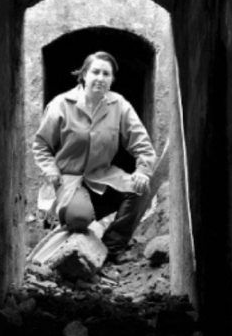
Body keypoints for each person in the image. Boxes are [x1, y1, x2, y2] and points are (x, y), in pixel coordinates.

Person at [32, 51, 156, 261]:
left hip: (102, 176)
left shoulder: (119, 105)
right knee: (79, 218)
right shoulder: (61, 104)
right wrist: (50, 169)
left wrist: (143, 170)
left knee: (140, 189)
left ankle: (113, 246)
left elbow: (142, 143)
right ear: (83, 75)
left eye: (106, 74)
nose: (100, 78)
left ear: (112, 79)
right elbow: (41, 144)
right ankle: (71, 219)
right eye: (95, 72)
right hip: (69, 179)